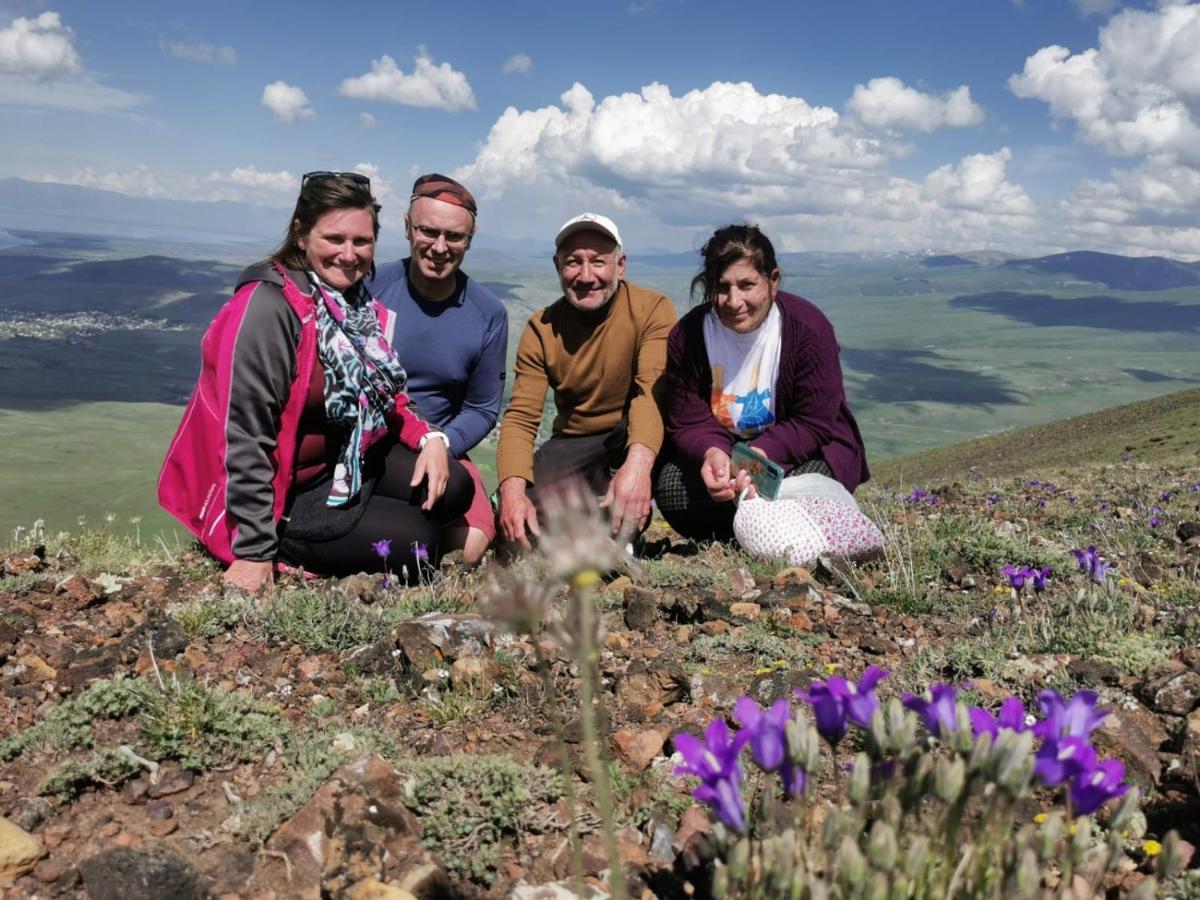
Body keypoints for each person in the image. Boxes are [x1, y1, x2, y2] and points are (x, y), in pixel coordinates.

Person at [158, 171, 474, 592]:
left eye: (361, 241)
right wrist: (253, 551)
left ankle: (361, 520)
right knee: (420, 545)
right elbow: (246, 435)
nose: (349, 254)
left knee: (456, 487)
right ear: (301, 235)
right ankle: (287, 544)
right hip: (283, 492)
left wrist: (430, 439)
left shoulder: (352, 302)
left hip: (340, 462)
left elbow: (384, 390)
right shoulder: (269, 309)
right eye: (334, 239)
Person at [653, 223, 868, 542]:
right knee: (671, 488)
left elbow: (813, 423)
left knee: (814, 482)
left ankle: (764, 529)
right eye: (722, 287)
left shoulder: (808, 330)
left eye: (746, 285)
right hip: (727, 462)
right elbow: (687, 421)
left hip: (797, 457)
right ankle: (764, 530)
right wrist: (714, 454)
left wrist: (759, 455)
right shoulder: (688, 337)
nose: (733, 300)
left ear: (773, 282)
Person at [495, 213, 676, 549]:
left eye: (598, 261)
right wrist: (512, 490)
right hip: (575, 443)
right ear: (557, 266)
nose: (586, 276)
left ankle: (618, 517)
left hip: (631, 435)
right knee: (519, 527)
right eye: (573, 262)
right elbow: (521, 417)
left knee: (624, 497)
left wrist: (637, 468)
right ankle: (594, 521)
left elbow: (650, 393)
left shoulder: (652, 310)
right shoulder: (542, 328)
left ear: (621, 265)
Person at [369, 174, 507, 566]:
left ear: (470, 237)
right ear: (408, 227)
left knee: (471, 543)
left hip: (442, 445)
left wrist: (442, 443)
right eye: (428, 231)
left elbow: (482, 408)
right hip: (370, 439)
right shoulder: (371, 286)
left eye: (455, 237)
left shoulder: (487, 314)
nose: (440, 248)